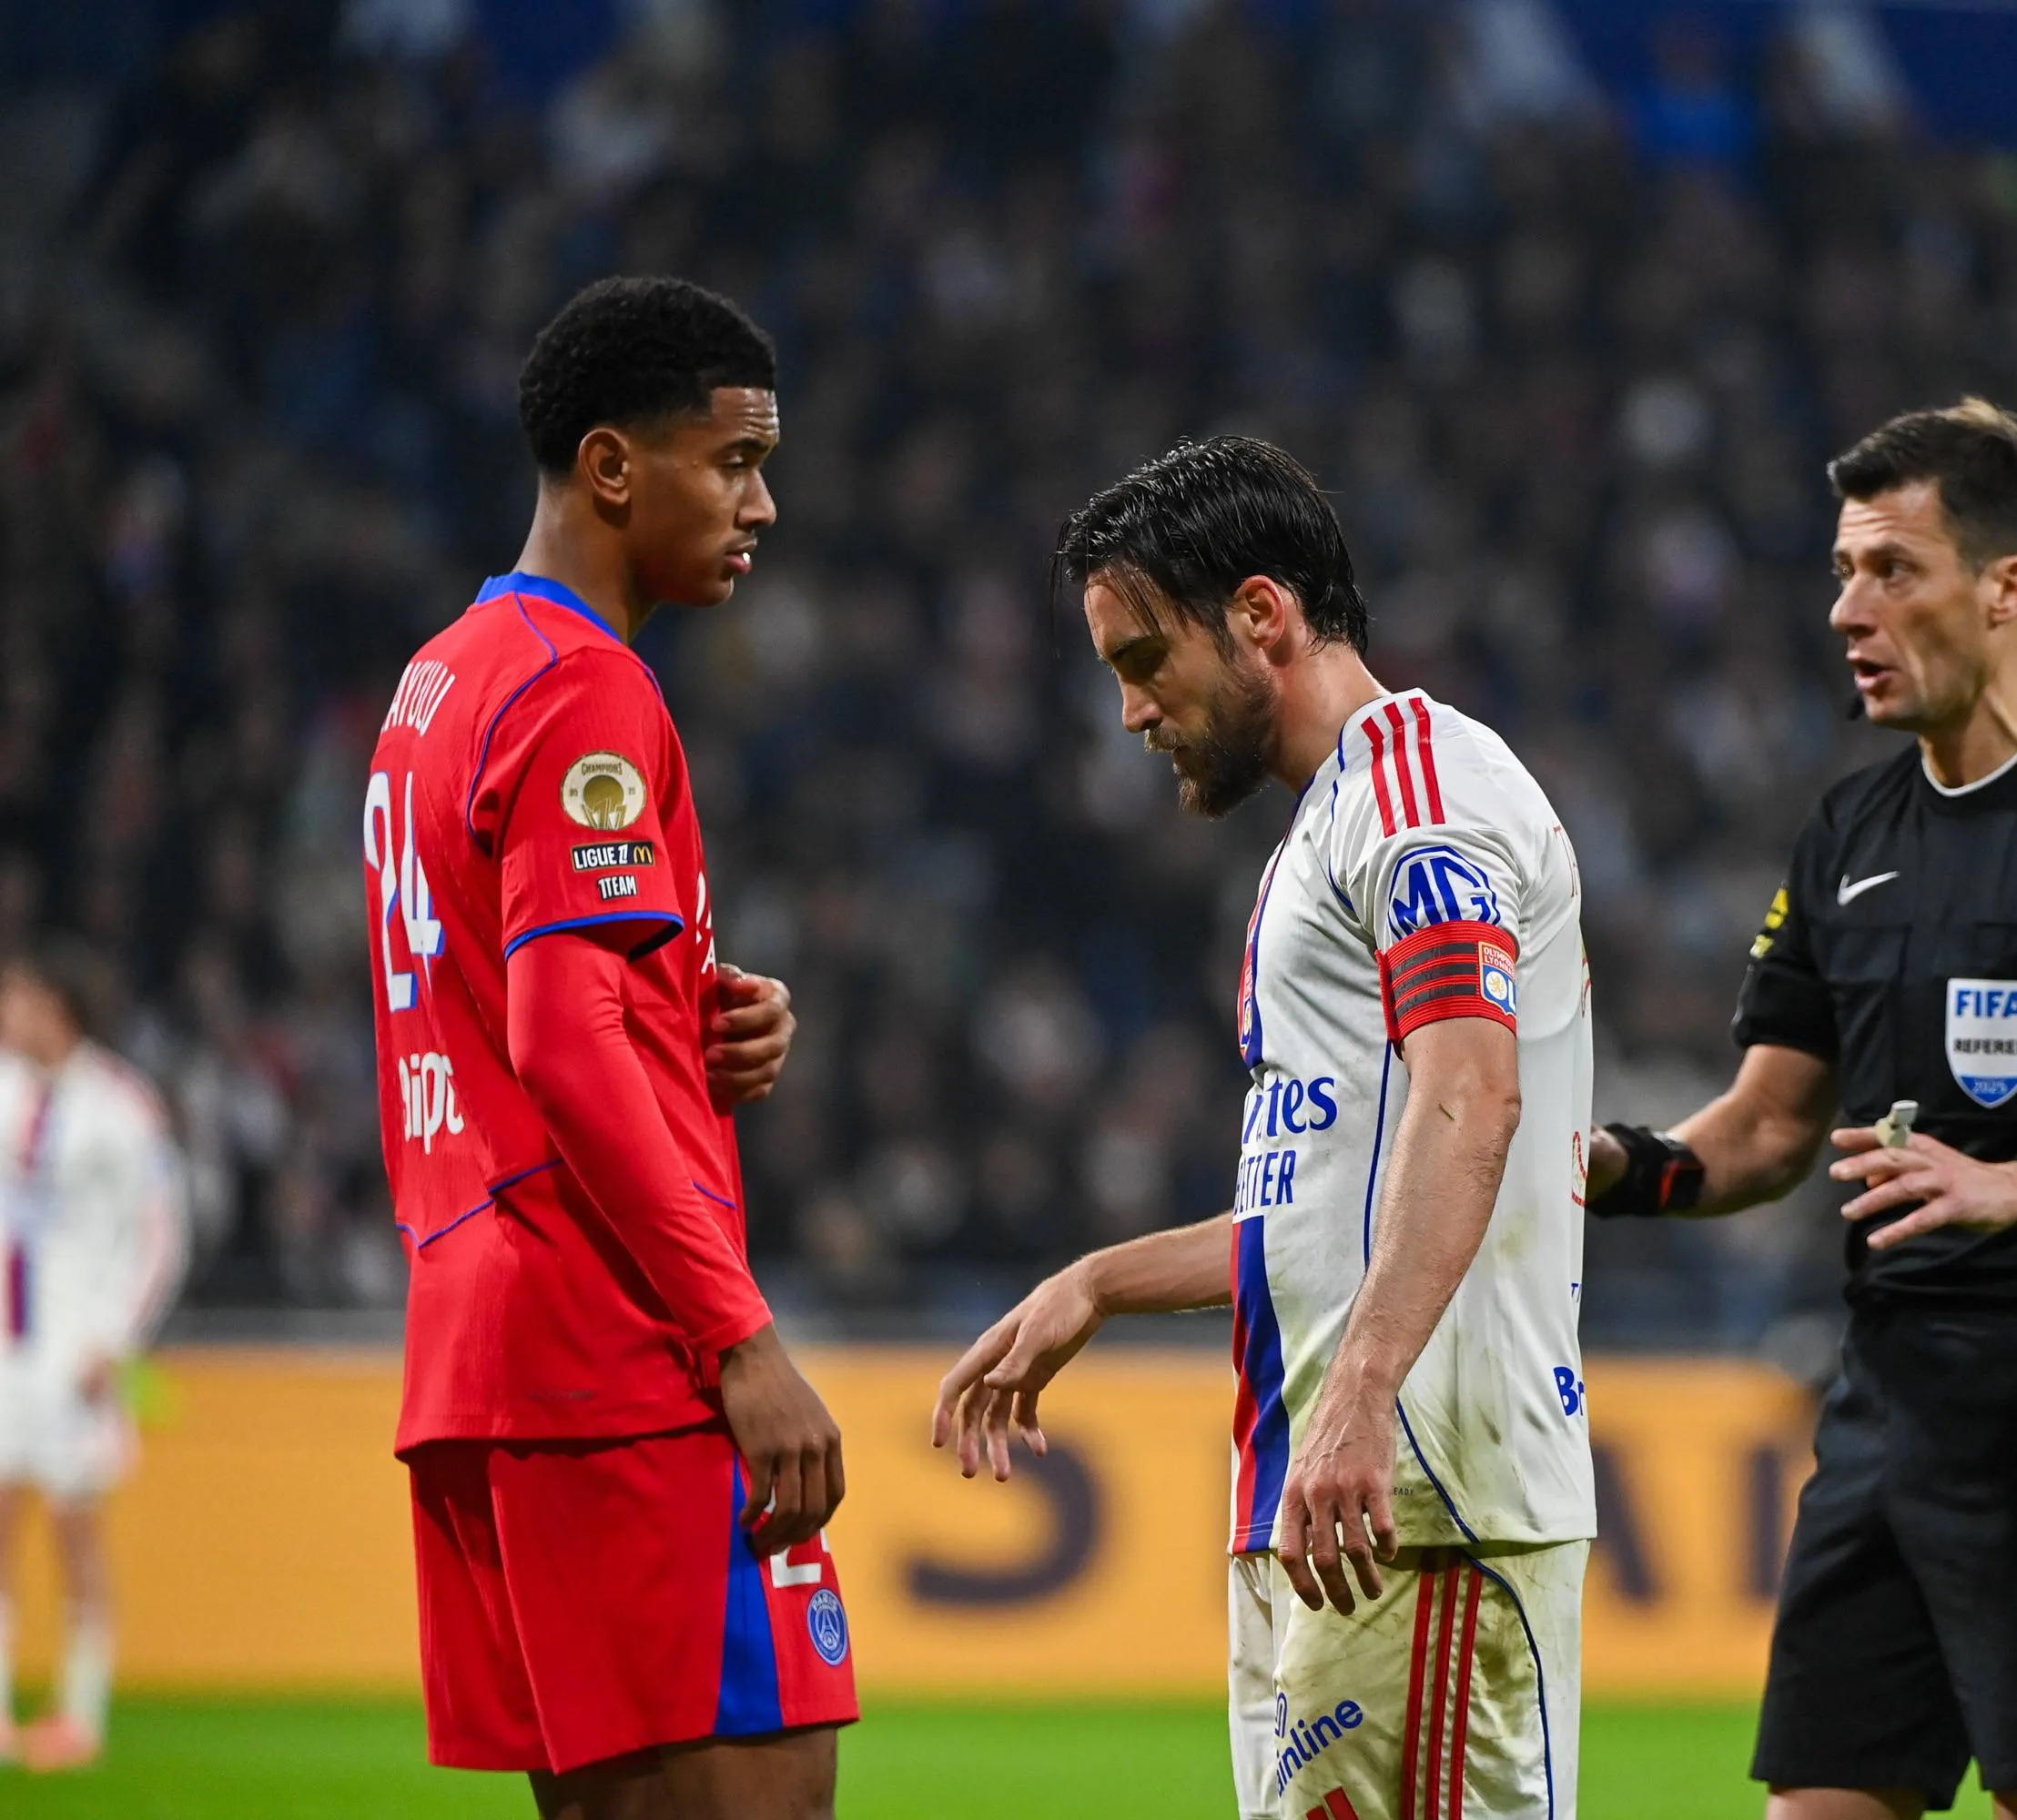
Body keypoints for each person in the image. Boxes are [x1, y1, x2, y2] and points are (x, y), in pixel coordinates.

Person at [1585, 400, 2017, 1820]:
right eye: (1843, 571)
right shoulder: (1847, 835)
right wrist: (1607, 1166)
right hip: (1885, 1407)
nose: (1848, 607)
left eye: (1892, 570)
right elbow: (1769, 1129)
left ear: (2006, 587)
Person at [934, 437, 1597, 1820]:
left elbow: (1472, 1093)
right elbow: (1326, 1218)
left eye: (1141, 661)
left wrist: (1357, 1399)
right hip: (1342, 1511)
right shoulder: (1335, 825)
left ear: (1260, 615)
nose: (1129, 712)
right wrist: (1100, 1282)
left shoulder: (1418, 790)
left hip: (1419, 1508)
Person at [362, 276, 847, 1819]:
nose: (763, 503)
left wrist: (681, 1011)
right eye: (735, 461)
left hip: (480, 1348)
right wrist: (737, 1340)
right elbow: (564, 1046)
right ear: (614, 467)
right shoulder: (585, 690)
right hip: (615, 1354)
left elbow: (497, 998)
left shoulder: (440, 679)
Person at [0, 939, 188, 1771]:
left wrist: (115, 1339)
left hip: (76, 1351)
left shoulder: (121, 1105)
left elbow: (161, 1232)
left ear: (60, 1009)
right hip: (9, 1344)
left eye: (21, 999)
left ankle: (82, 1713)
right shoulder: (4, 1090)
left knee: (76, 1533)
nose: (9, 1014)